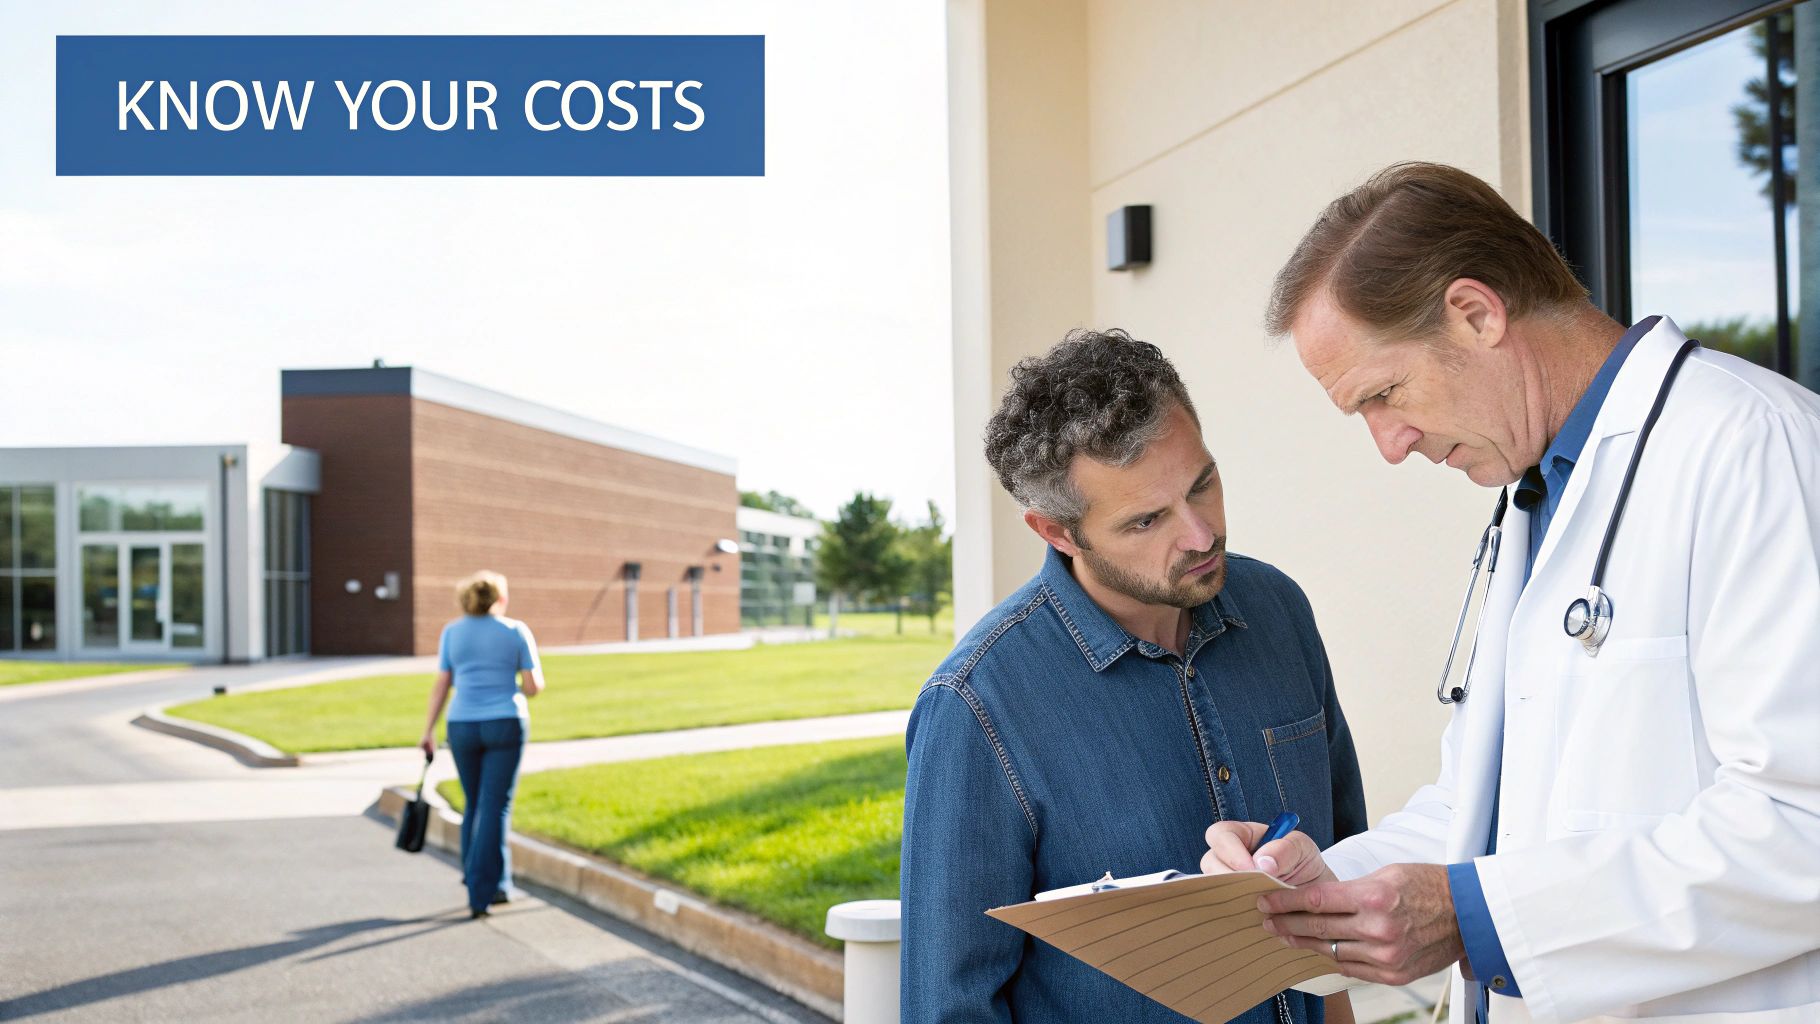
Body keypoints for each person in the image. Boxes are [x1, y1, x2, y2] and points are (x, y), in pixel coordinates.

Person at [1201, 162, 1820, 1023]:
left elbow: (1805, 822)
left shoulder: (1755, 448)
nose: (1389, 445)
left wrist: (1477, 918)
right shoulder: (1537, 493)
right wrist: (1326, 883)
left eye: (1385, 395)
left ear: (1477, 313)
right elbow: (1487, 808)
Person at [900, 328, 1368, 1024]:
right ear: (1057, 532)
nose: (1201, 535)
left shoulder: (1280, 611)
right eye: (1147, 520)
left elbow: (1341, 868)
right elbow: (951, 1007)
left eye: (1201, 484)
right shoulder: (975, 706)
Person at [420, 570, 545, 919]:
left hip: (461, 724)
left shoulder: (452, 632)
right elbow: (533, 686)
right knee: (496, 807)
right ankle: (481, 890)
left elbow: (442, 683)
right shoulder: (516, 631)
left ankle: (493, 881)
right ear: (500, 599)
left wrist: (427, 730)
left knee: (475, 804)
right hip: (505, 722)